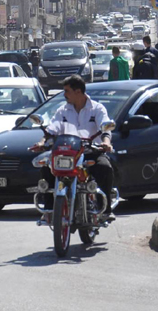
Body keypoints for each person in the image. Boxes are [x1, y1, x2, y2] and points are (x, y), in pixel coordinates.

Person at [32, 75, 116, 221]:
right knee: (46, 167)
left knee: (105, 167)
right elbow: (52, 130)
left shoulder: (97, 109)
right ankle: (49, 210)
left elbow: (105, 128)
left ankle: (105, 210)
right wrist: (41, 142)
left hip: (91, 151)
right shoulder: (63, 110)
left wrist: (106, 143)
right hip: (67, 153)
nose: (64, 95)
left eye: (67, 91)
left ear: (78, 91)